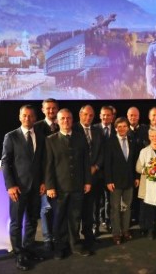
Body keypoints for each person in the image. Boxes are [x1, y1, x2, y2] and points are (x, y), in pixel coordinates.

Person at [1, 105, 46, 270]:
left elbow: (42, 162)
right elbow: (5, 162)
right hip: (18, 189)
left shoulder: (41, 136)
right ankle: (19, 254)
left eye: (31, 116)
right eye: (24, 116)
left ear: (35, 118)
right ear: (20, 117)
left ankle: (28, 248)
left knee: (33, 221)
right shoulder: (11, 137)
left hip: (36, 188)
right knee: (17, 222)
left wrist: (43, 182)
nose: (28, 119)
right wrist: (10, 185)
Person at [45, 109, 91, 259]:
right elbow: (48, 166)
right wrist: (50, 186)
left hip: (78, 186)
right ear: (58, 121)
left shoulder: (80, 138)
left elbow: (86, 162)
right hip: (59, 188)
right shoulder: (51, 140)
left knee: (75, 217)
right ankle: (60, 246)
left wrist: (87, 181)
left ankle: (75, 244)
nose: (66, 121)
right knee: (59, 218)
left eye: (68, 118)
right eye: (62, 119)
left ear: (72, 120)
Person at [72, 105, 104, 252]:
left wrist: (96, 166)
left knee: (90, 209)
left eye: (91, 115)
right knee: (76, 211)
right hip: (77, 179)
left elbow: (102, 152)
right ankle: (75, 241)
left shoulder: (98, 130)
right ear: (80, 114)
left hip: (94, 177)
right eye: (85, 115)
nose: (88, 118)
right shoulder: (72, 129)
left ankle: (88, 236)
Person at [104, 117, 139, 245]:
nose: (122, 129)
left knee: (127, 208)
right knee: (115, 208)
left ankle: (125, 231)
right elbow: (107, 163)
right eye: (119, 126)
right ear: (115, 128)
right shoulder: (109, 142)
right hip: (115, 182)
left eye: (124, 126)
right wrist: (108, 180)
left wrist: (136, 177)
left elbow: (134, 161)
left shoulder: (132, 140)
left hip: (129, 180)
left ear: (128, 128)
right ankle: (116, 234)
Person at [34, 98, 59, 251]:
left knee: (59, 209)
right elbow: (37, 157)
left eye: (53, 108)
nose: (51, 111)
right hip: (45, 177)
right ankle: (47, 239)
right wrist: (43, 181)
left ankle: (57, 237)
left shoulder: (62, 124)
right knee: (46, 209)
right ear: (43, 110)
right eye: (48, 108)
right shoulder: (36, 128)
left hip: (61, 176)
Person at [93, 105, 116, 235]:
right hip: (96, 171)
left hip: (111, 172)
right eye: (104, 115)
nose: (106, 117)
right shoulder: (94, 129)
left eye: (109, 115)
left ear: (112, 117)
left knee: (109, 200)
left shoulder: (117, 130)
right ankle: (95, 225)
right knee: (95, 201)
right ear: (100, 116)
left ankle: (108, 222)